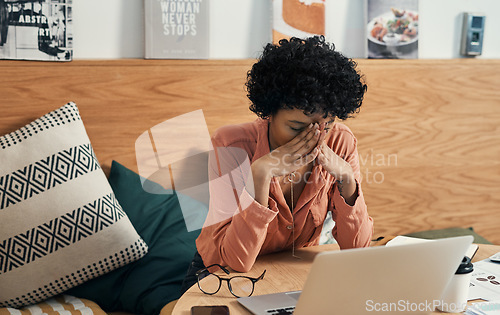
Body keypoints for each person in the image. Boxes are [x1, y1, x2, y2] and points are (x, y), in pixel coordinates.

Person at [180, 36, 373, 294]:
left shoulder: (341, 142)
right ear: (269, 113)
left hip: (293, 272)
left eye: (325, 125)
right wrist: (260, 174)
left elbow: (358, 250)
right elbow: (236, 261)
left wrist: (347, 179)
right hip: (220, 276)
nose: (313, 137)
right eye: (295, 127)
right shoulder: (231, 145)